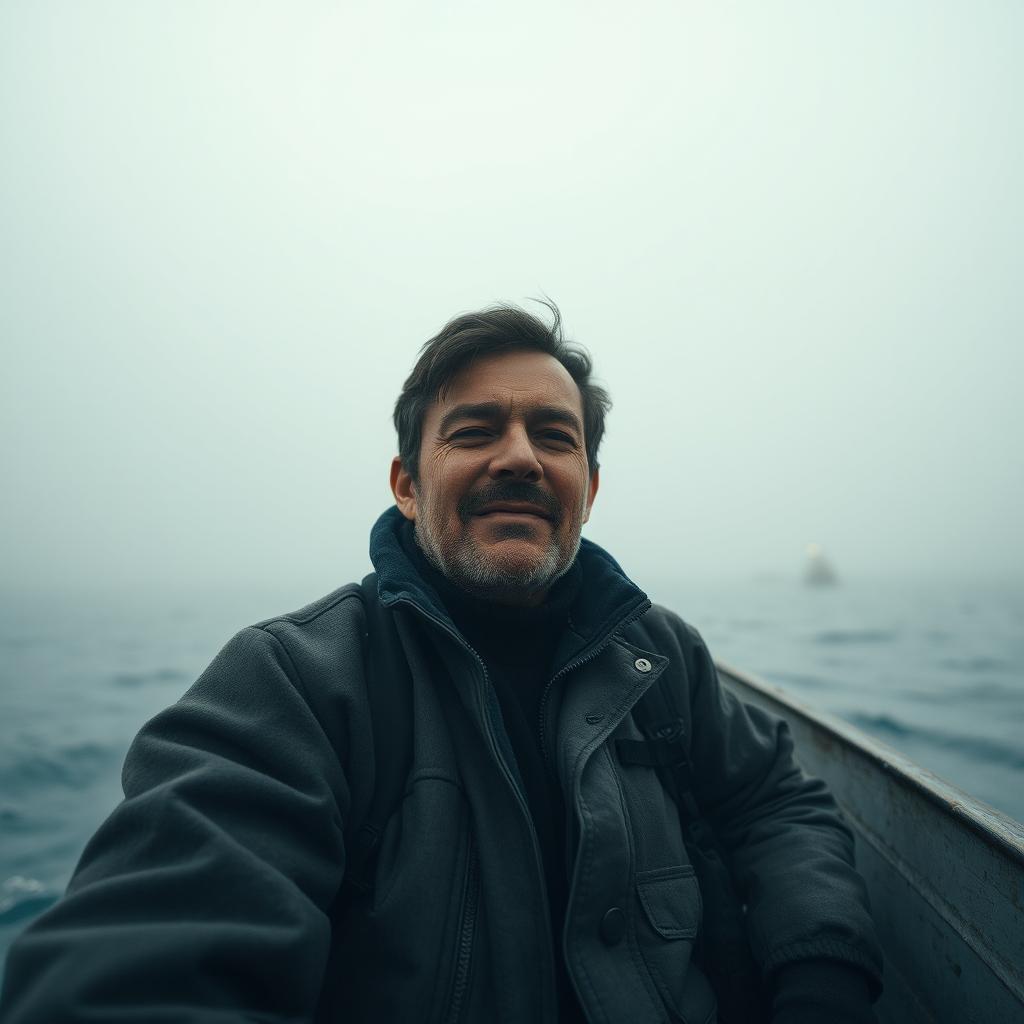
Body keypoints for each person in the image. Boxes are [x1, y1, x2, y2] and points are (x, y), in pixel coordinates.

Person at [0, 303, 883, 1023]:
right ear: (407, 483)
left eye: (555, 435)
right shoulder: (297, 680)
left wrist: (820, 978)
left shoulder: (661, 656)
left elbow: (775, 802)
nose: (520, 457)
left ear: (591, 487)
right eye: (474, 431)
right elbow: (155, 948)